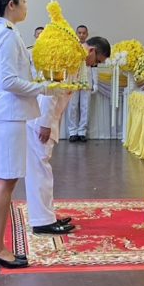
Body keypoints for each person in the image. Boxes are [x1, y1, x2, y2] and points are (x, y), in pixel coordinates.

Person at [0, 0, 60, 270]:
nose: (27, 6)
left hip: (10, 115)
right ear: (11, 5)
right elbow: (8, 81)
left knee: (7, 181)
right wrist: (44, 88)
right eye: (24, 1)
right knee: (4, 182)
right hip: (8, 115)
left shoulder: (8, 31)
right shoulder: (6, 34)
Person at [26, 36, 111, 234]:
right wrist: (45, 123)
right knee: (40, 170)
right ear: (91, 51)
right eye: (97, 62)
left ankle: (46, 215)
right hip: (40, 120)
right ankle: (42, 221)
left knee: (42, 170)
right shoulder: (69, 58)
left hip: (45, 119)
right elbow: (52, 91)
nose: (93, 66)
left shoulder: (75, 60)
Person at [67, 24, 92, 142]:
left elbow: (94, 66)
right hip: (73, 79)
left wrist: (95, 83)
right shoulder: (71, 47)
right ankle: (72, 131)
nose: (81, 35)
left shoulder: (90, 48)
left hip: (86, 79)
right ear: (76, 34)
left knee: (85, 106)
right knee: (72, 106)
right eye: (79, 33)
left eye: (84, 33)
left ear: (87, 34)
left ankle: (82, 131)